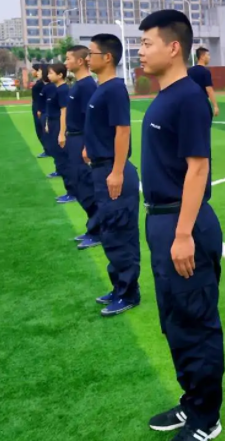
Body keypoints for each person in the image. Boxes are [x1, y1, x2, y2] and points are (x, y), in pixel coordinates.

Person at [138, 11, 224, 441]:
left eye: (147, 43)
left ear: (173, 47)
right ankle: (191, 402)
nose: (140, 51)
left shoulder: (188, 97)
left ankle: (207, 418)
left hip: (181, 222)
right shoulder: (165, 96)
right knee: (175, 321)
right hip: (162, 220)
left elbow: (198, 168)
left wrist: (184, 233)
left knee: (195, 321)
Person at [82, 33, 141, 305]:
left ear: (107, 57)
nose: (87, 58)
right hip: (100, 168)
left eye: (91, 53)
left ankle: (128, 293)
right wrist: (89, 148)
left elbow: (122, 130)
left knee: (120, 234)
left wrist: (117, 171)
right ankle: (118, 287)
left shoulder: (115, 89)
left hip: (112, 170)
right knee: (109, 232)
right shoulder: (101, 88)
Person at [63, 45, 102, 247]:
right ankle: (92, 227)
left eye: (68, 58)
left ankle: (97, 232)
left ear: (80, 61)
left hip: (81, 140)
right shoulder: (77, 84)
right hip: (73, 139)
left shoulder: (87, 86)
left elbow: (91, 119)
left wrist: (87, 145)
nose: (65, 62)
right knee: (77, 184)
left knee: (86, 186)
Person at [45, 64, 71, 189]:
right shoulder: (57, 89)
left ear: (60, 75)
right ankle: (60, 172)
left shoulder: (63, 90)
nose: (48, 75)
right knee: (56, 152)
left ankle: (71, 190)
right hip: (53, 123)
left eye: (51, 73)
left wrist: (61, 132)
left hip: (58, 124)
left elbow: (64, 111)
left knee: (62, 156)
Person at [188, 47, 220, 118]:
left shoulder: (189, 71)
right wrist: (215, 106)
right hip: (201, 103)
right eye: (208, 55)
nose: (209, 57)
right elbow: (209, 90)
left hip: (190, 103)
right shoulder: (205, 71)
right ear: (202, 57)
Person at [31, 64, 48, 158]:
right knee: (39, 129)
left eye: (37, 71)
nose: (35, 72)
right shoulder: (39, 82)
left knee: (42, 129)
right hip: (36, 106)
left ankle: (48, 149)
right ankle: (46, 149)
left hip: (40, 108)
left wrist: (39, 109)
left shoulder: (43, 84)